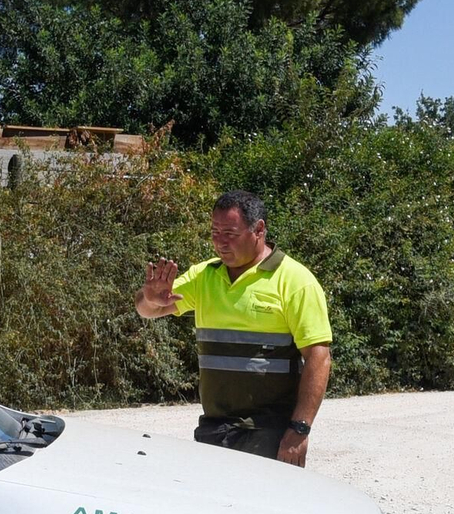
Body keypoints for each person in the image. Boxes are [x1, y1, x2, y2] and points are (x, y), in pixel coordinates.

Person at [135, 190, 332, 466]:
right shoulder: (205, 276)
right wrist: (149, 298)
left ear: (259, 229)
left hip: (268, 432)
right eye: (215, 232)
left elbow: (318, 357)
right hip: (214, 428)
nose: (220, 243)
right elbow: (148, 311)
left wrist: (299, 430)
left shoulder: (295, 281)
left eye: (230, 233)